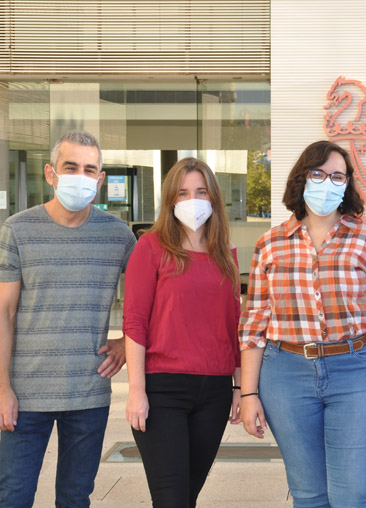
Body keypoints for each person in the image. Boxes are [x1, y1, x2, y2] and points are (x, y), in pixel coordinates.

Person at [239, 140, 366, 508]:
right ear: (301, 179)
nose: (327, 183)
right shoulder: (270, 244)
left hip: (357, 372)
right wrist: (249, 393)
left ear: (348, 184)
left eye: (337, 176)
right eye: (318, 174)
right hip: (285, 375)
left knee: (354, 495)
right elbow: (254, 324)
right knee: (308, 495)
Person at [0, 130, 136, 507]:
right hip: (26, 394)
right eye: (71, 167)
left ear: (101, 180)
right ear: (51, 173)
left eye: (90, 169)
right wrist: (1, 387)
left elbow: (148, 301)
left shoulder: (118, 236)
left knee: (75, 498)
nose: (81, 176)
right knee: (12, 497)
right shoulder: (18, 230)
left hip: (88, 392)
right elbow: (2, 313)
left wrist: (123, 342)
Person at [123, 157, 242, 508]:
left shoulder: (226, 255)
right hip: (163, 392)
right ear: (171, 200)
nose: (193, 200)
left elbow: (234, 326)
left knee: (186, 497)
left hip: (214, 394)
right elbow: (134, 321)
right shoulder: (151, 247)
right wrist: (136, 391)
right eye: (183, 192)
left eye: (201, 192)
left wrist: (238, 387)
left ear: (214, 199)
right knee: (171, 500)